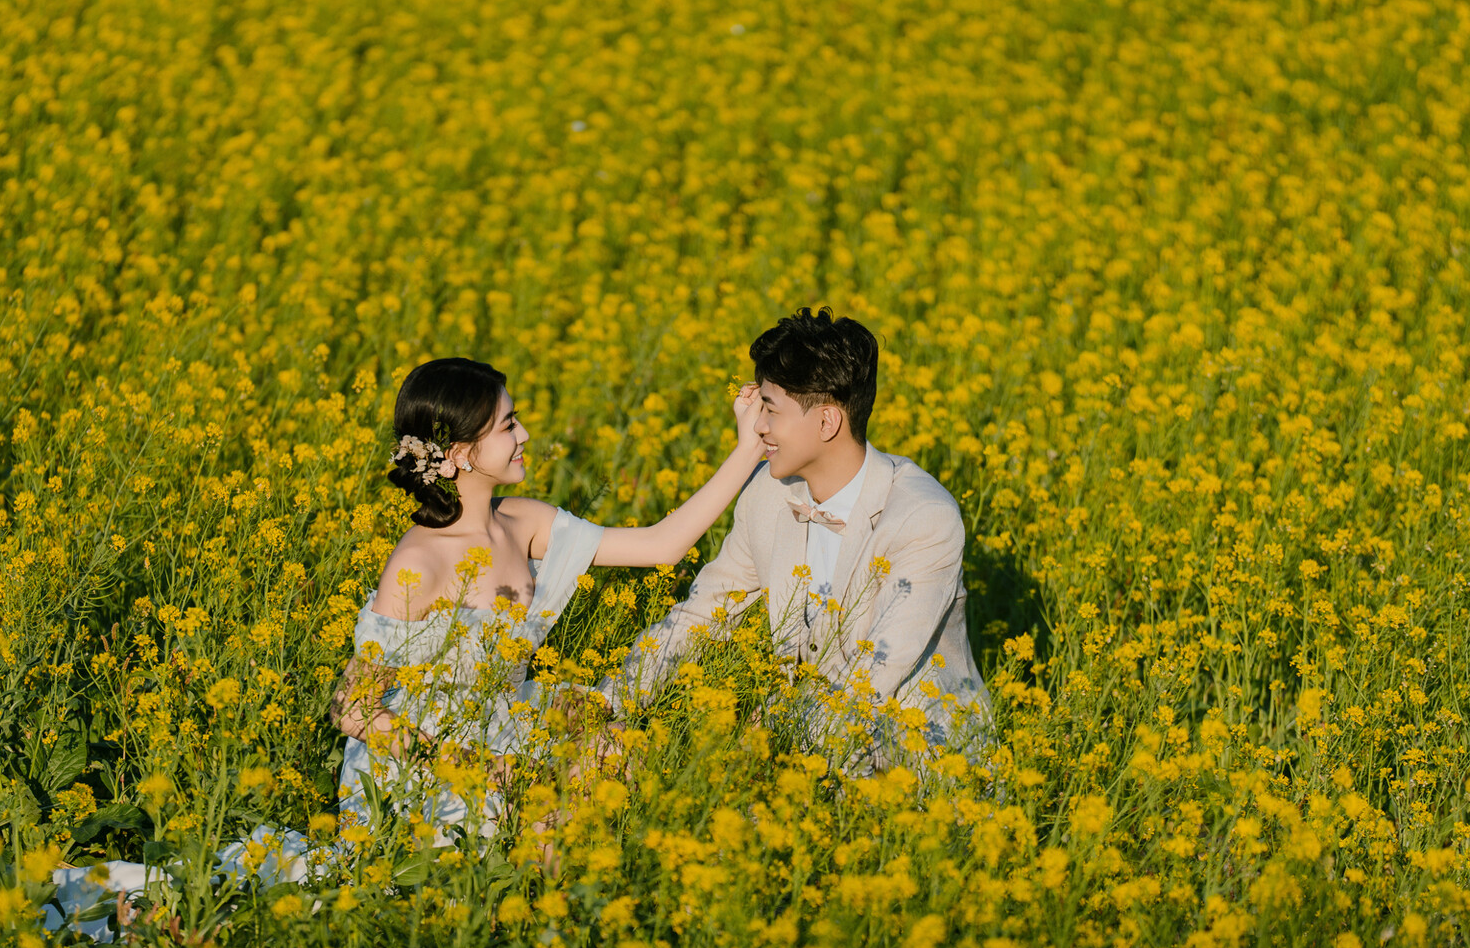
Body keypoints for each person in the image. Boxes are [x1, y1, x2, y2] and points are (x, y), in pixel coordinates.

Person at [321, 356, 767, 847]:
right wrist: (484, 769)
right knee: (549, 811)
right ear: (460, 453)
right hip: (422, 763)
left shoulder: (522, 521)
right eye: (508, 425)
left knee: (619, 746)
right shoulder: (421, 561)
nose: (525, 434)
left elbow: (662, 545)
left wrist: (748, 448)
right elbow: (352, 708)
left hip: (499, 723)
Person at [616, 307, 991, 765]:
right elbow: (703, 613)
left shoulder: (923, 518)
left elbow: (873, 679)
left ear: (827, 422)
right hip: (804, 740)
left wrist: (766, 744)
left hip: (915, 755)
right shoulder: (768, 494)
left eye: (770, 410)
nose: (758, 426)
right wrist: (613, 697)